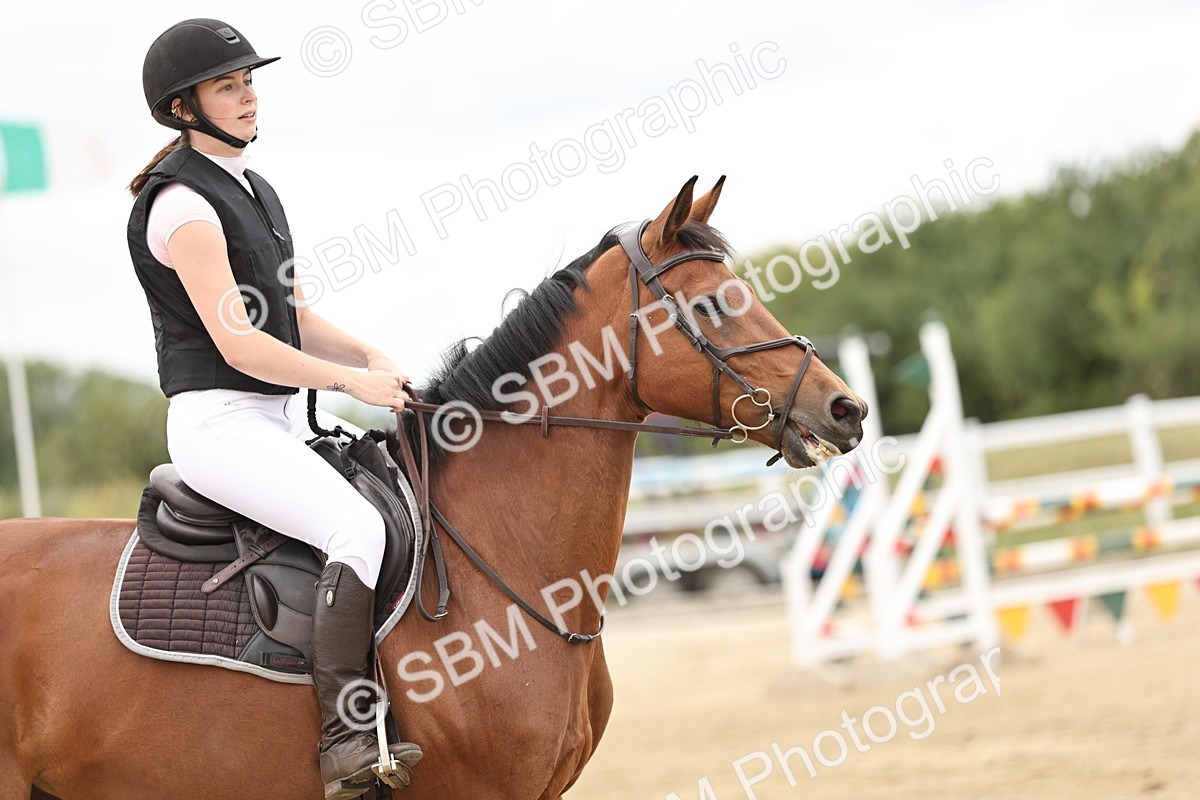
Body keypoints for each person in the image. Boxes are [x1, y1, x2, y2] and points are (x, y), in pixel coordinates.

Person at [126, 18, 422, 799]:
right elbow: (241, 348)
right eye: (229, 85)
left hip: (283, 419)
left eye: (250, 80)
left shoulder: (257, 189)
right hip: (220, 424)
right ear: (184, 106)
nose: (249, 95)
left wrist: (369, 355)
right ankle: (346, 738)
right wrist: (348, 383)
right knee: (354, 527)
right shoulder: (181, 207)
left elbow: (291, 315)